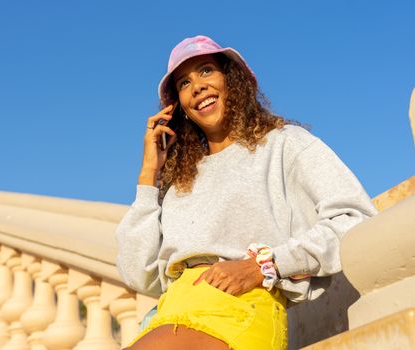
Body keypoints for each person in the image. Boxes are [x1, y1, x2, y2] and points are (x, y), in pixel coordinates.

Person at [116, 35, 376, 350]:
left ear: (232, 79)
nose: (197, 86)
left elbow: (355, 218)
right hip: (170, 315)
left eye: (207, 70)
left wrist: (265, 265)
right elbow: (137, 274)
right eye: (184, 82)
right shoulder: (180, 182)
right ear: (178, 107)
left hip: (238, 308)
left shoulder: (283, 144)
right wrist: (149, 176)